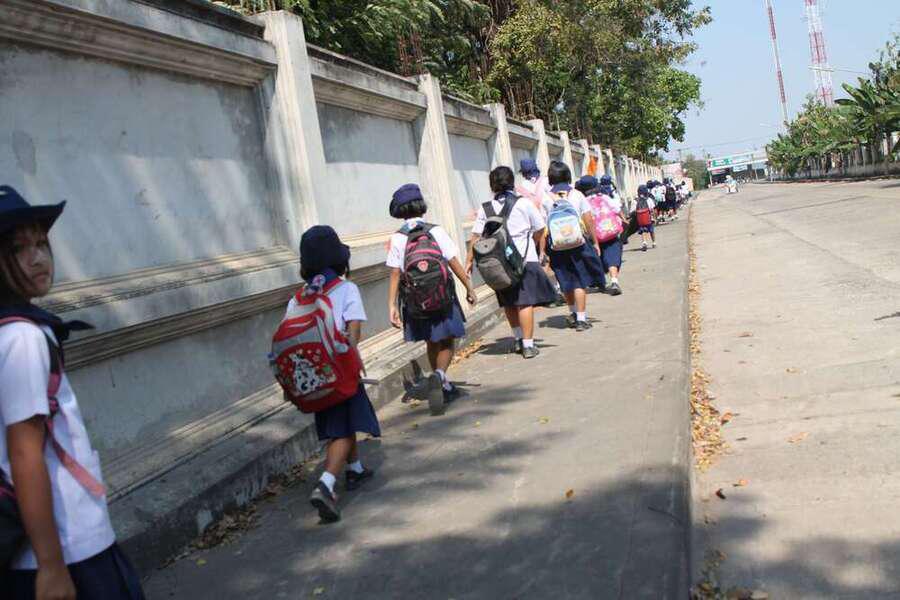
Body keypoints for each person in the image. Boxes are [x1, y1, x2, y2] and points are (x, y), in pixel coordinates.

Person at [0, 185, 145, 599]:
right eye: (18, 249)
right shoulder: (22, 338)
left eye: (41, 243)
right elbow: (24, 453)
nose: (37, 257)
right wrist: (51, 566)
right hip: (68, 546)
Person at [294, 225, 381, 523]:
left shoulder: (299, 297)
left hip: (314, 378)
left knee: (342, 422)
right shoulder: (346, 289)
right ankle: (326, 484)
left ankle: (355, 470)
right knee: (342, 431)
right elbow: (353, 332)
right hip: (341, 372)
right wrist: (353, 362)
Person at [387, 184, 477, 413]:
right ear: (422, 206)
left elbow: (395, 272)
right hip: (443, 296)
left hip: (415, 301)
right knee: (447, 340)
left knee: (431, 339)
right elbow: (453, 262)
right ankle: (439, 375)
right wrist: (469, 287)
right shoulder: (436, 231)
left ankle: (442, 383)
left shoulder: (397, 238)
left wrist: (392, 305)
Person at [467, 167, 556, 359]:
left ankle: (517, 339)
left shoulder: (485, 208)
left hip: (498, 263)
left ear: (492, 185)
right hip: (524, 260)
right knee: (524, 303)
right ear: (512, 183)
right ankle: (528, 345)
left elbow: (475, 236)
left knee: (509, 302)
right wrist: (532, 245)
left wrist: (469, 260)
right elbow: (540, 228)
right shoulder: (523, 203)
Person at [541, 161, 606, 331]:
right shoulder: (577, 195)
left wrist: (542, 251)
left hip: (556, 246)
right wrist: (595, 241)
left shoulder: (546, 198)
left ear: (551, 177)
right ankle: (582, 319)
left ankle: (573, 313)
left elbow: (542, 228)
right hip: (578, 244)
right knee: (579, 281)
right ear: (568, 175)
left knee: (565, 280)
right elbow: (588, 220)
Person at [516, 159, 565, 307]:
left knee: (541, 261)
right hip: (551, 229)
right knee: (551, 261)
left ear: (523, 172)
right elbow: (554, 203)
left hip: (532, 233)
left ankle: (551, 292)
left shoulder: (520, 188)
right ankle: (556, 291)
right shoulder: (546, 183)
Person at [575, 176, 626, 296]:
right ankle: (614, 281)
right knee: (612, 256)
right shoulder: (604, 197)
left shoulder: (582, 200)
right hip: (610, 231)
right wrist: (624, 219)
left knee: (596, 258)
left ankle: (599, 282)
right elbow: (617, 209)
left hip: (594, 235)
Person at [636, 184, 657, 251]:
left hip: (641, 219)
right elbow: (652, 209)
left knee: (643, 231)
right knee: (651, 231)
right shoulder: (649, 199)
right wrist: (654, 217)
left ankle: (644, 242)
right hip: (649, 218)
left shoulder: (637, 200)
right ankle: (654, 242)